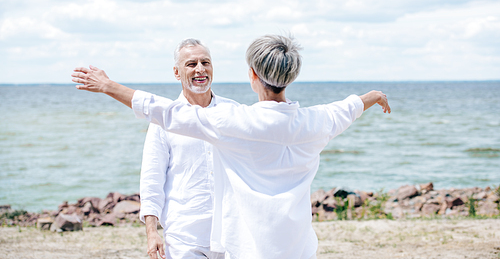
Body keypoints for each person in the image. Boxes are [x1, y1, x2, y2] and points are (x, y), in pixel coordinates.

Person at [72, 35, 390, 259]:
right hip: (298, 246)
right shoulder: (315, 122)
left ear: (252, 75)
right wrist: (372, 96)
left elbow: (165, 111)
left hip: (249, 247)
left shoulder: (235, 121)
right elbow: (345, 109)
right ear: (291, 77)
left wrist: (109, 86)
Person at [140, 39, 237, 259]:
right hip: (185, 236)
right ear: (177, 72)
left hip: (232, 234)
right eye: (191, 64)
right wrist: (152, 232)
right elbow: (151, 179)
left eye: (206, 62)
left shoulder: (233, 112)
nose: (200, 69)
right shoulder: (163, 119)